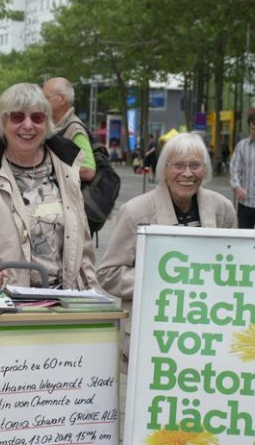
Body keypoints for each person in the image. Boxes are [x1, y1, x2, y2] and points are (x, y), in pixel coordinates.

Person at [97, 132, 236, 370]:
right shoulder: (135, 211)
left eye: (195, 165)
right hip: (152, 331)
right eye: (178, 165)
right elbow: (108, 275)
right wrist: (164, 280)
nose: (187, 173)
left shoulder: (222, 209)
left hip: (206, 334)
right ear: (164, 169)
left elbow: (235, 270)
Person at [0, 83, 98, 292]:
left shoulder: (66, 164)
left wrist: (91, 294)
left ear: (46, 122)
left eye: (37, 117)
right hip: (2, 299)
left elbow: (82, 244)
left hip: (61, 301)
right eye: (17, 117)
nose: (28, 125)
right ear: (3, 121)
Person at [42, 77, 96, 182]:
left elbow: (88, 171)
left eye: (45, 98)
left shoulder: (74, 129)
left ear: (62, 99)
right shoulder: (57, 126)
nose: (41, 102)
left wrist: (50, 172)